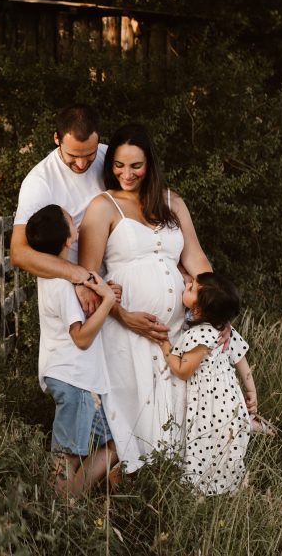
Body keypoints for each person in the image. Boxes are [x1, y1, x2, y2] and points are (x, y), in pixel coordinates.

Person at [78, 123, 214, 473]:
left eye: (135, 166)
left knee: (181, 419)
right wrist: (124, 316)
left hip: (175, 332)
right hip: (125, 331)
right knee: (134, 423)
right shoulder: (102, 207)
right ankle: (126, 490)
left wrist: (215, 309)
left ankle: (177, 485)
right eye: (119, 165)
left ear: (150, 164)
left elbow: (196, 259)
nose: (126, 173)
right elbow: (88, 279)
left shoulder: (172, 201)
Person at [25, 204, 118, 495]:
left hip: (85, 382)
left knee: (112, 446)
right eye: (69, 218)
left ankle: (72, 502)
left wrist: (103, 292)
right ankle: (60, 515)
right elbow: (81, 338)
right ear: (68, 239)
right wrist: (107, 304)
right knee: (67, 457)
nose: (73, 218)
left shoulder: (60, 277)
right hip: (73, 379)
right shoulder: (59, 284)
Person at [159, 272, 258, 495]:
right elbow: (241, 359)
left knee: (205, 446)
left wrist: (164, 344)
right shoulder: (221, 327)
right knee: (226, 448)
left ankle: (206, 491)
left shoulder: (200, 335)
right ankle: (230, 487)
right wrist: (251, 390)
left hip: (210, 406)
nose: (187, 284)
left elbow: (183, 370)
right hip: (231, 400)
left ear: (199, 310)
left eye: (192, 287)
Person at [10, 105, 106, 288]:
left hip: (116, 283)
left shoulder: (110, 158)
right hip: (69, 290)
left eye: (89, 154)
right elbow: (19, 252)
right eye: (73, 155)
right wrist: (78, 275)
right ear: (56, 138)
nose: (81, 163)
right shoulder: (39, 181)